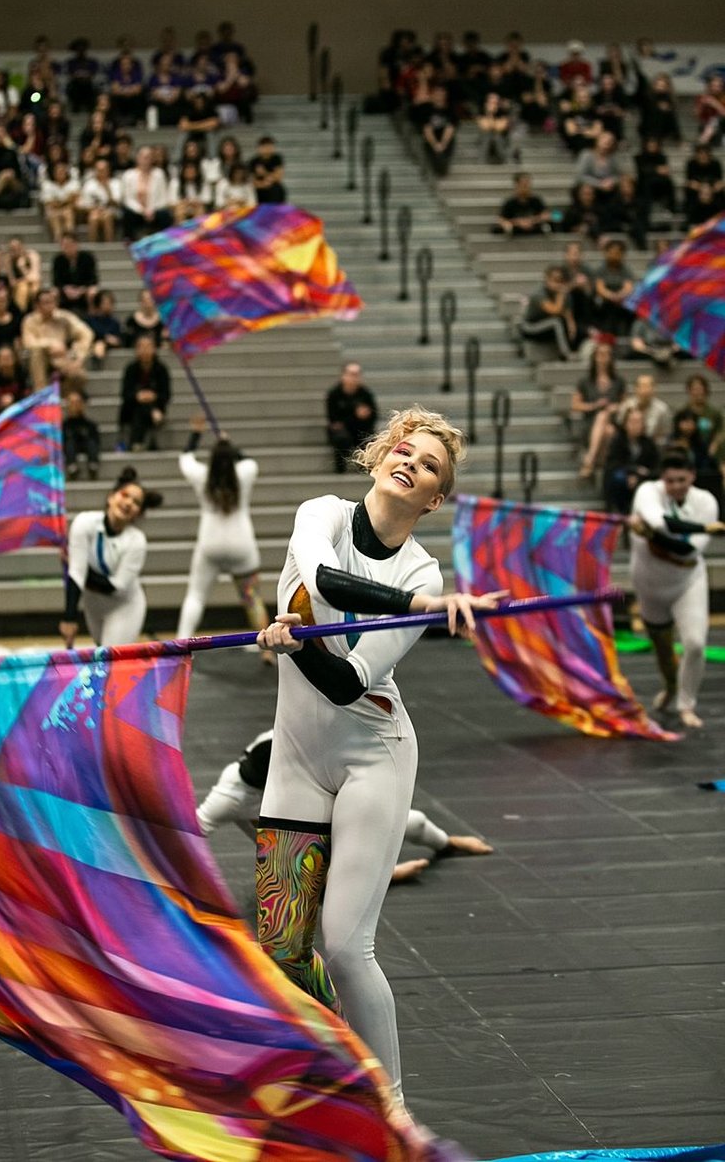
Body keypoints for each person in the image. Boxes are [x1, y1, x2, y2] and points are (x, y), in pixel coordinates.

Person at [254, 406, 505, 1113]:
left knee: (343, 944)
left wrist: (297, 641)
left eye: (429, 466)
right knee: (282, 943)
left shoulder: (425, 567)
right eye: (405, 448)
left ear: (435, 499)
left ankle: (391, 1104)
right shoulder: (322, 516)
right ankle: (322, 1077)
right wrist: (423, 603)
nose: (411, 461)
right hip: (297, 757)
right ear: (378, 456)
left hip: (373, 755)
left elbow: (347, 681)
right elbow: (329, 582)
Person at [197, 727, 493, 883]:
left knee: (412, 822)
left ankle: (447, 844)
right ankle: (380, 876)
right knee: (308, 878)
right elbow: (193, 828)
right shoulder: (230, 797)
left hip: (306, 804)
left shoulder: (293, 746)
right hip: (290, 848)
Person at [628, 446, 723, 729]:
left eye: (682, 480)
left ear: (692, 476)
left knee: (695, 644)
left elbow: (685, 551)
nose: (676, 487)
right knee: (662, 648)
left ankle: (686, 704)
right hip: (649, 584)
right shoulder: (647, 492)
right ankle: (670, 686)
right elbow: (662, 524)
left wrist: (650, 534)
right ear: (662, 480)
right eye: (670, 481)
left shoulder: (706, 502)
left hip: (687, 581)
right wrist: (705, 528)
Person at [175, 416, 275, 665]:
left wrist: (196, 434)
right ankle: (265, 650)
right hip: (242, 544)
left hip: (210, 542)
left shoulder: (202, 476)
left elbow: (185, 458)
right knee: (252, 598)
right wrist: (229, 444)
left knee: (196, 596)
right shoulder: (244, 474)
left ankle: (179, 645)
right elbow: (249, 461)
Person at [60, 467, 164, 646]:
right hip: (93, 606)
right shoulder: (83, 523)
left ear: (138, 513)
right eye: (125, 495)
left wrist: (76, 564)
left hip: (124, 607)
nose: (129, 503)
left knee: (111, 662)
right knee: (102, 659)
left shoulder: (137, 541)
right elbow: (76, 574)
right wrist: (69, 619)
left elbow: (116, 586)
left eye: (136, 502)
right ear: (111, 496)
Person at [20, 285, 93, 394]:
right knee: (36, 352)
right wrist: (51, 344)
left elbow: (86, 334)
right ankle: (41, 393)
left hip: (62, 358)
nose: (50, 305)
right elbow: (28, 343)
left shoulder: (64, 317)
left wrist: (77, 356)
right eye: (45, 302)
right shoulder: (29, 320)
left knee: (80, 376)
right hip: (39, 359)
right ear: (37, 305)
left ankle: (60, 395)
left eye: (52, 301)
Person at [572, 341, 626, 477]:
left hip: (613, 421)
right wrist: (594, 405)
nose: (603, 357)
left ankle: (590, 459)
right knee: (605, 424)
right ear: (594, 357)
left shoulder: (618, 381)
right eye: (600, 354)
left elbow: (626, 404)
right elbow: (575, 405)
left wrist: (616, 407)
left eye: (607, 354)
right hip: (591, 423)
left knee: (608, 426)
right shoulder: (585, 381)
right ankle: (601, 463)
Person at [602, 406, 660, 514]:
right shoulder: (617, 441)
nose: (636, 426)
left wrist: (639, 477)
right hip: (621, 480)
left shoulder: (649, 443)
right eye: (632, 422)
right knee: (618, 477)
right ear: (625, 424)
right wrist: (633, 471)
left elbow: (656, 467)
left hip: (643, 480)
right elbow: (612, 464)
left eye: (639, 422)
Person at [118, 333, 171, 451]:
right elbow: (125, 394)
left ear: (154, 349)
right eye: (141, 347)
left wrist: (154, 396)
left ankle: (136, 442)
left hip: (157, 407)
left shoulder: (161, 369)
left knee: (142, 409)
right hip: (132, 409)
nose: (145, 350)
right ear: (136, 350)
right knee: (139, 409)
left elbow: (166, 395)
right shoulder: (130, 369)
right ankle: (141, 441)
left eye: (148, 346)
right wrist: (138, 397)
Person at [325, 362, 379, 474]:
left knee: (369, 437)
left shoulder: (366, 394)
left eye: (357, 374)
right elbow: (333, 419)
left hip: (360, 428)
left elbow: (374, 416)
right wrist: (355, 416)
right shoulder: (334, 394)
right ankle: (340, 469)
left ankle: (365, 468)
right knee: (340, 437)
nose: (354, 378)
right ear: (343, 375)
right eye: (351, 374)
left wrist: (366, 416)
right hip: (342, 431)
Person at [520, 266, 578, 360]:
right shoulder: (539, 294)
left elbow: (567, 312)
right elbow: (555, 310)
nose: (558, 284)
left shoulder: (562, 294)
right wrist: (561, 294)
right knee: (556, 322)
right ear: (547, 280)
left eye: (560, 280)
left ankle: (568, 350)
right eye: (554, 280)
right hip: (531, 327)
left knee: (563, 323)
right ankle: (566, 354)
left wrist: (571, 325)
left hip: (547, 324)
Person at [51, 231, 99, 317]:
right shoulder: (58, 259)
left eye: (70, 245)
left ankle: (92, 315)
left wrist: (82, 289)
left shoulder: (88, 258)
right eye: (64, 245)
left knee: (93, 292)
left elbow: (93, 279)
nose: (67, 248)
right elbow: (56, 280)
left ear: (76, 244)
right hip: (66, 289)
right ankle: (55, 315)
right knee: (53, 292)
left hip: (84, 288)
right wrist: (65, 288)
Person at [62, 388, 102, 480]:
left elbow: (97, 441)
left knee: (91, 442)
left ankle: (93, 465)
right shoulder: (63, 426)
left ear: (82, 404)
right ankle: (72, 467)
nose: (74, 405)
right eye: (72, 402)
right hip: (70, 448)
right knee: (69, 443)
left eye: (77, 402)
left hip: (87, 446)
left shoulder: (90, 425)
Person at [0, 343, 28, 419]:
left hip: (20, 413)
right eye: (3, 358)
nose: (6, 361)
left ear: (14, 359)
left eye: (8, 358)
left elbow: (27, 397)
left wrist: (14, 399)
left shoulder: (22, 374)